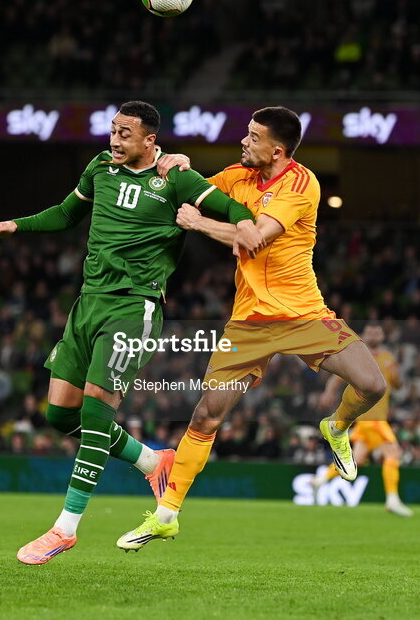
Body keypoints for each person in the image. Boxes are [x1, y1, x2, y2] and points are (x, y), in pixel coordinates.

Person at [0, 101, 260, 565]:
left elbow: (234, 208)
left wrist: (242, 230)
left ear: (150, 140)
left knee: (95, 414)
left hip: (135, 307)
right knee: (59, 417)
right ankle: (152, 462)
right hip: (87, 305)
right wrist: (15, 225)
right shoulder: (100, 168)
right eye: (113, 130)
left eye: (125, 133)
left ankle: (64, 529)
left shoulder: (177, 180)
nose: (114, 140)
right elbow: (67, 214)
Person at [117, 107, 388, 550]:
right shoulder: (239, 175)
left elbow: (253, 237)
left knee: (372, 385)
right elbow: (195, 186)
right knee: (206, 415)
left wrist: (198, 222)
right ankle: (166, 515)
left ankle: (337, 426)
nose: (244, 142)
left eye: (252, 136)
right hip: (248, 322)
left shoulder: (301, 184)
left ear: (276, 150)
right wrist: (178, 162)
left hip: (303, 314)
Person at [318, 323, 413, 516]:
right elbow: (337, 378)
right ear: (364, 334)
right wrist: (328, 392)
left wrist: (397, 373)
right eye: (370, 331)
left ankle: (318, 481)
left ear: (382, 336)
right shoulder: (358, 356)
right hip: (372, 418)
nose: (374, 335)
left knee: (357, 459)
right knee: (393, 453)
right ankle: (392, 499)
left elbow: (398, 384)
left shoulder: (388, 358)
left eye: (377, 331)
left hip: (373, 419)